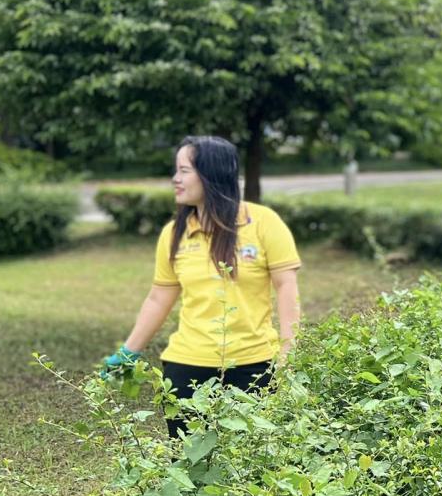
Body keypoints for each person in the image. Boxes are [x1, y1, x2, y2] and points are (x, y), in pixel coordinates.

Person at [101, 135, 302, 437]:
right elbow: (158, 298)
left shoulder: (262, 223)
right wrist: (129, 352)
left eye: (184, 171)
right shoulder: (174, 233)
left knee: (249, 467)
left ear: (211, 174)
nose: (175, 179)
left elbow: (287, 288)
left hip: (253, 365)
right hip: (186, 366)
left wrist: (290, 352)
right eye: (176, 170)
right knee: (190, 463)